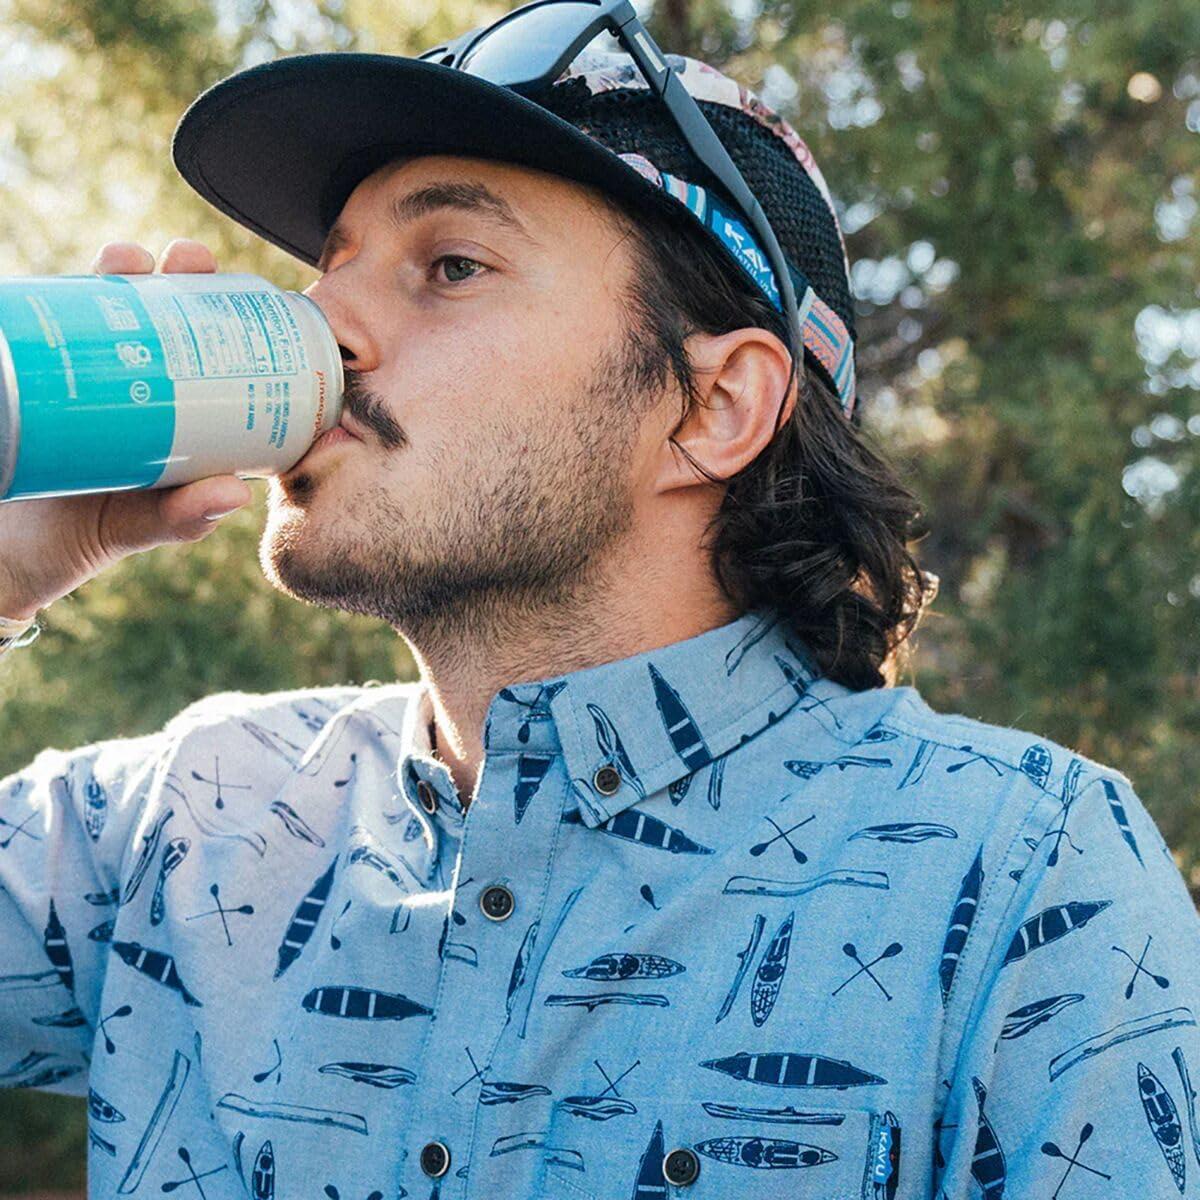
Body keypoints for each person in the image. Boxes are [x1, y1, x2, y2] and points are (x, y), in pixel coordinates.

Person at [2, 21, 1198, 1200]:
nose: (324, 323)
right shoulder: (188, 815)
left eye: (451, 266)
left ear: (714, 406)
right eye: (334, 266)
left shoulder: (1021, 871)